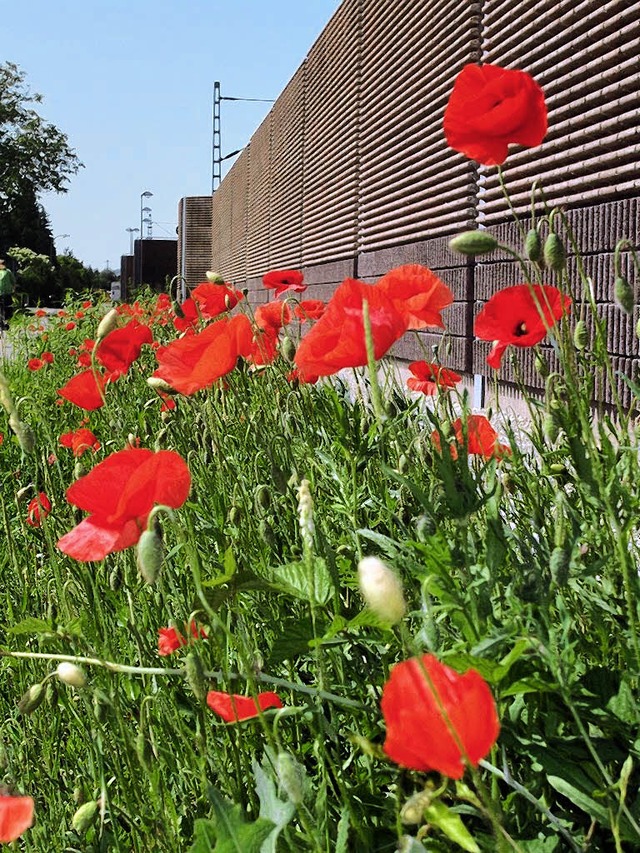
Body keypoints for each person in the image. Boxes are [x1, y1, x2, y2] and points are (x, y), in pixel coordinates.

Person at [0, 259, 16, 330]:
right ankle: (3, 323)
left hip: (6, 293)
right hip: (4, 293)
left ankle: (4, 322)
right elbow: (13, 282)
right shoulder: (8, 272)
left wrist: (13, 289)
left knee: (6, 309)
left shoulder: (8, 272)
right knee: (5, 309)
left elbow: (13, 282)